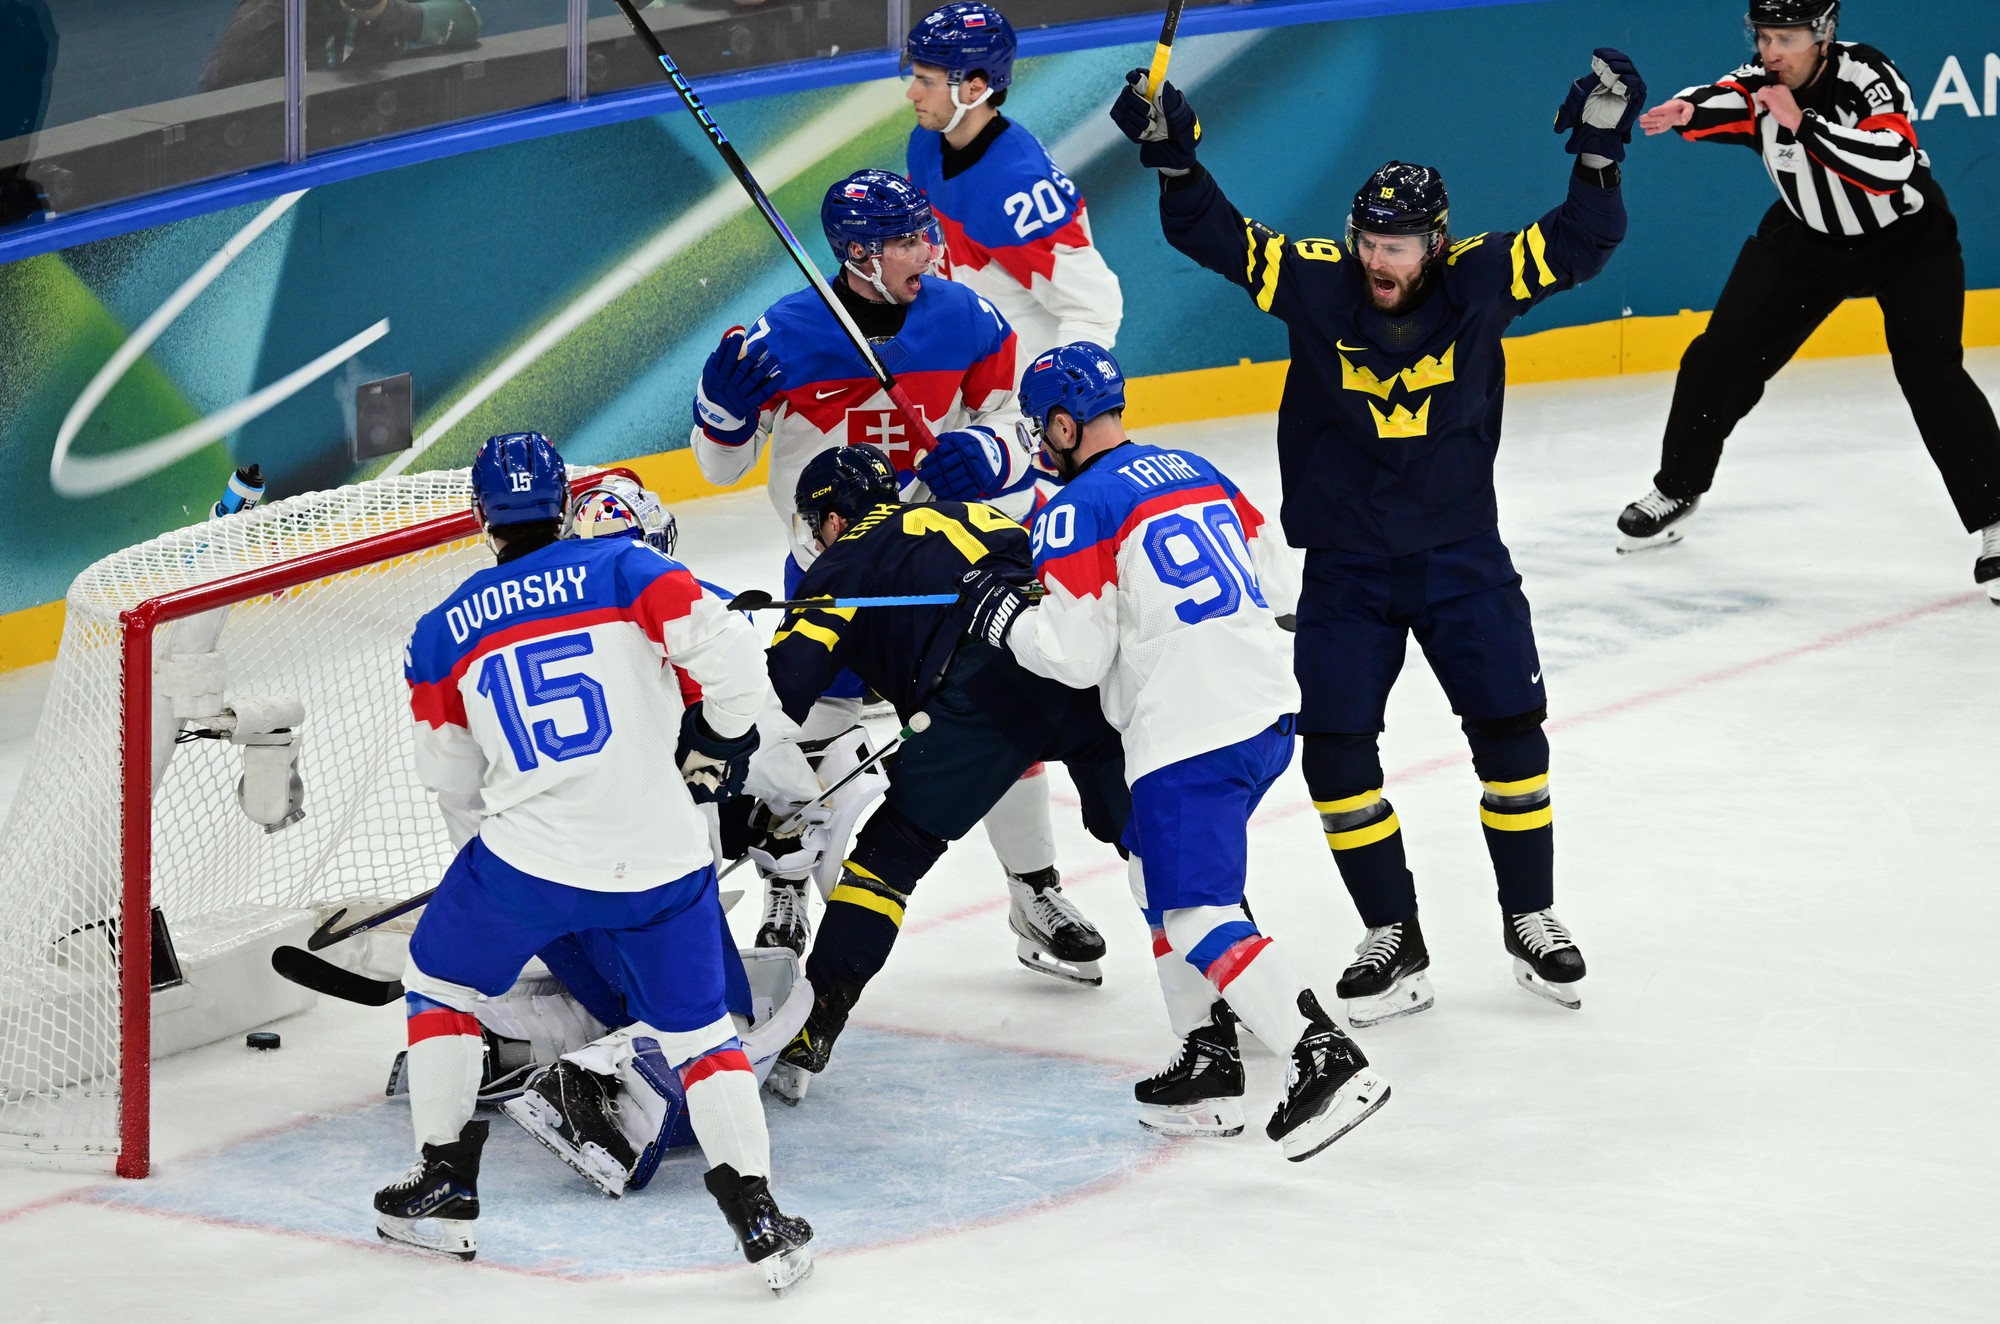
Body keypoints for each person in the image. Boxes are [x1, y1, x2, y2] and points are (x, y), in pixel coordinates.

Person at [1110, 50, 1641, 1024]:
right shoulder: (1314, 283)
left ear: (1435, 244)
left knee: (1511, 739)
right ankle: (1390, 936)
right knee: (1336, 753)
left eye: (1396, 247)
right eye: (1366, 240)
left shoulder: (1482, 277)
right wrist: (1174, 161)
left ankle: (1530, 914)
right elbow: (1213, 236)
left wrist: (1600, 150)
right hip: (1346, 568)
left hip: (1459, 558)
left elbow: (1584, 238)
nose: (1377, 261)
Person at [380, 432, 811, 1293]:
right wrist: (719, 744)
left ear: (482, 518)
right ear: (562, 503)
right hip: (661, 857)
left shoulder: (439, 631)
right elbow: (736, 665)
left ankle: (444, 1183)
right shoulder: (626, 571)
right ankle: (760, 1218)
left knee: (440, 983)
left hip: (527, 862)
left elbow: (451, 779)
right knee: (703, 1037)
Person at [958, 344, 1391, 1161]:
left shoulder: (1074, 508)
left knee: (1196, 910)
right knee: (1155, 877)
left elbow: (1078, 657)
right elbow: (1275, 577)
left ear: (1059, 423)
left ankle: (1324, 1059)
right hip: (1266, 709)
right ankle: (1206, 1062)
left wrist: (1003, 618)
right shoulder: (1196, 469)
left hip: (1189, 730)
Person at [691, 167, 1104, 980]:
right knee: (799, 745)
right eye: (909, 238)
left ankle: (1034, 890)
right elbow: (718, 469)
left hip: (933, 580)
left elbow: (1010, 425)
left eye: (926, 230)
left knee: (1000, 726)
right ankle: (787, 891)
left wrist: (985, 451)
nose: (931, 247)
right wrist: (722, 410)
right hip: (831, 581)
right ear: (858, 254)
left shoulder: (968, 319)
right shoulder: (785, 336)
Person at [762, 444, 1131, 1103]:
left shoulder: (842, 563)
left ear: (835, 520)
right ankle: (1232, 979)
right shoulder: (976, 515)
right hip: (1079, 675)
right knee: (1153, 832)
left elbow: (784, 688)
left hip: (979, 704)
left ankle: (810, 1030)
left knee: (886, 859)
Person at [1613, 1, 2000, 600]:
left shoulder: (1868, 77)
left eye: (1786, 37)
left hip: (1907, 240)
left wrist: (1803, 124)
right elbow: (1720, 98)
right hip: (1808, 240)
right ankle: (1678, 487)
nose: (1771, 51)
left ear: (1824, 35)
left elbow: (1892, 166)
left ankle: (1997, 520)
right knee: (1718, 357)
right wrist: (1687, 110)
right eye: (1763, 37)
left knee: (1931, 372)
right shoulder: (1761, 84)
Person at [902, 2, 1124, 371]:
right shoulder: (926, 142)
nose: (913, 93)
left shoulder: (1017, 189)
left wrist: (1054, 395)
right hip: (956, 357)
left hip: (1013, 387)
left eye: (926, 80)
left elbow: (1094, 306)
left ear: (974, 88)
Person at [198, 0, 481, 93]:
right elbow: (215, 81)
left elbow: (467, 21)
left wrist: (386, 14)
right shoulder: (275, 11)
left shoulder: (385, 6)